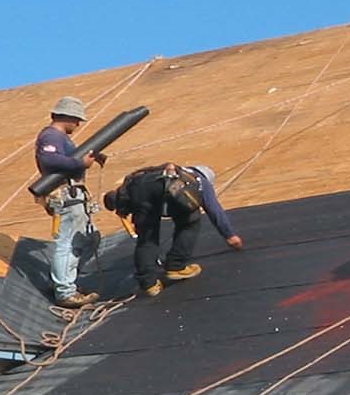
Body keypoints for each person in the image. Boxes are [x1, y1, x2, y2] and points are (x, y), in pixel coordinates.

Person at [103, 164, 242, 297]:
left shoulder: (173, 171)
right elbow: (214, 210)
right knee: (190, 221)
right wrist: (229, 235)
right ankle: (176, 266)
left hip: (139, 191)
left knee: (147, 238)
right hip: (160, 192)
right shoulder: (201, 182)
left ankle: (148, 284)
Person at [37, 96, 110, 308]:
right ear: (67, 117)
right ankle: (65, 291)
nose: (78, 124)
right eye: (76, 120)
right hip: (65, 195)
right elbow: (49, 159)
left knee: (90, 238)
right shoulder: (51, 136)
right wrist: (80, 163)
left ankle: (61, 280)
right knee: (69, 242)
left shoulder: (59, 138)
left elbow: (65, 158)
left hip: (73, 194)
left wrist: (90, 156)